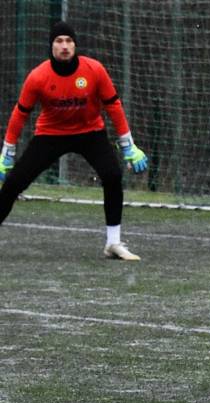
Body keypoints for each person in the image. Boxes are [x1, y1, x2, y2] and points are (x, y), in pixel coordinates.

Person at [0, 21, 148, 261]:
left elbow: (113, 106)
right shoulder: (38, 76)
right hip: (51, 134)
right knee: (14, 182)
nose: (65, 46)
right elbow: (20, 114)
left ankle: (113, 243)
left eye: (69, 41)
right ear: (51, 47)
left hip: (90, 132)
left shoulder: (94, 70)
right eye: (59, 41)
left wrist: (128, 146)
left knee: (112, 175)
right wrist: (6, 153)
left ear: (75, 45)